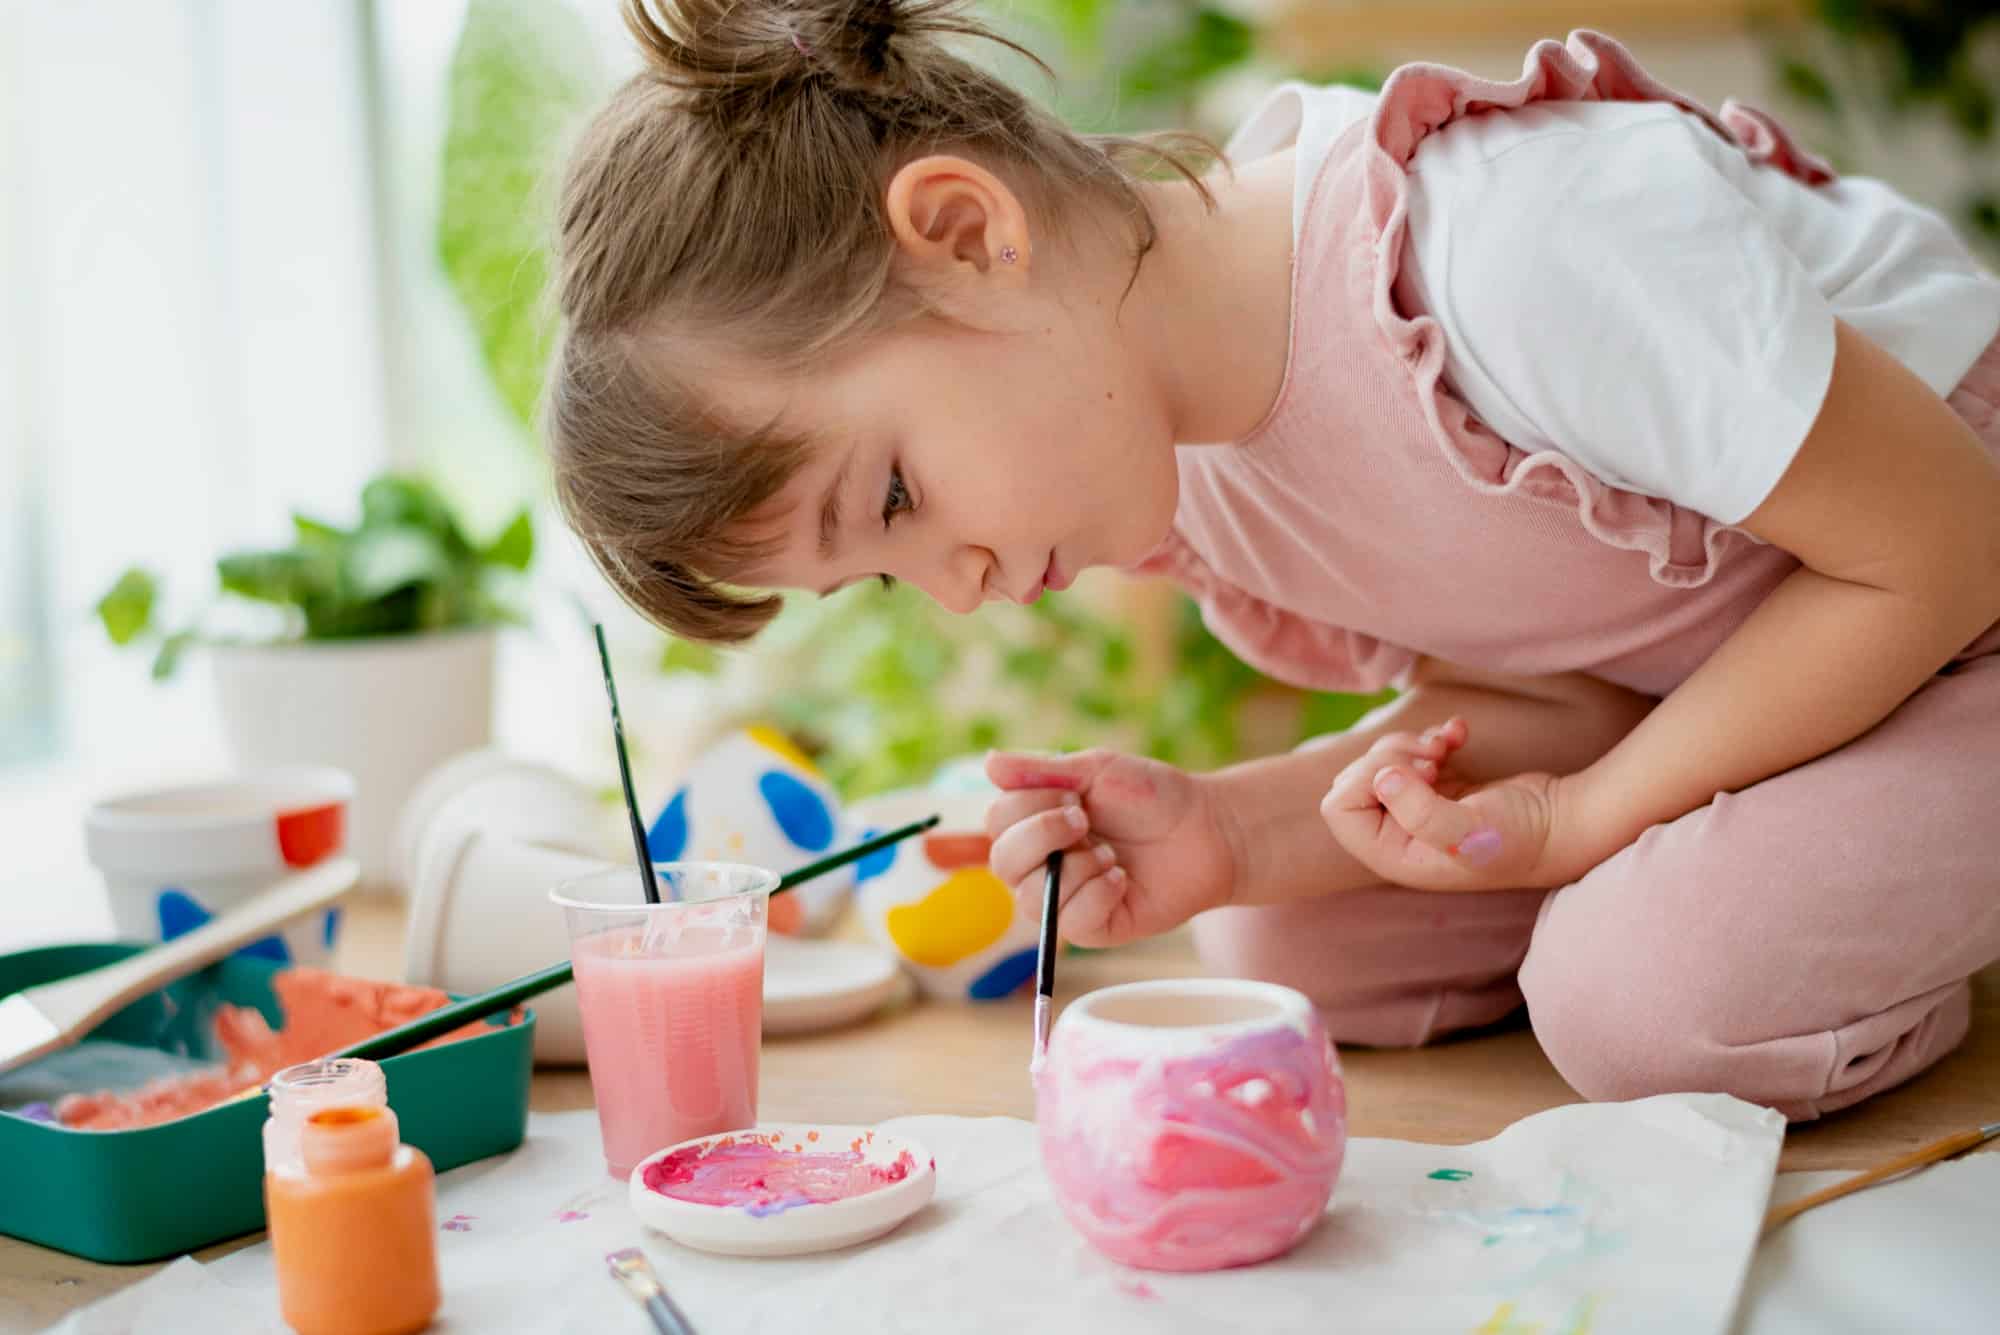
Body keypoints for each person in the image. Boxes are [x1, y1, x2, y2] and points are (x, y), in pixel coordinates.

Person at [545, 0, 2000, 1119]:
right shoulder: (1186, 482)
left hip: (1960, 595)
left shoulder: (1501, 247)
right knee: (1289, 942)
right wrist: (1238, 830)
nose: (955, 586)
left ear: (965, 231)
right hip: (1769, 664)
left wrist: (1594, 818)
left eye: (900, 496)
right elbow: (1560, 700)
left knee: (1644, 998)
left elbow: (1945, 548)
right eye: (877, 577)